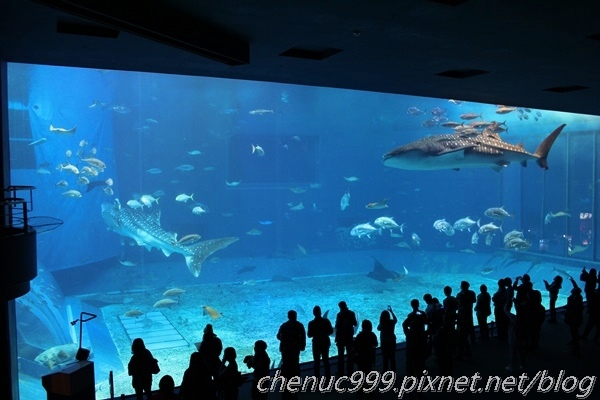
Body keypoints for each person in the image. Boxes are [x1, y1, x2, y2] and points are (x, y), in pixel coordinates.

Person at [277, 310, 306, 399]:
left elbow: (278, 336)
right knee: (295, 364)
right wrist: (302, 345)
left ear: (288, 316)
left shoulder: (284, 326)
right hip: (295, 349)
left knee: (286, 365)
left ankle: (285, 382)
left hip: (286, 349)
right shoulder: (299, 325)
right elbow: (303, 336)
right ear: (295, 316)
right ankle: (296, 381)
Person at [402, 299, 429, 377]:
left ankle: (411, 376)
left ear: (411, 305)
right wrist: (427, 332)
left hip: (412, 339)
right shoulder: (422, 314)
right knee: (421, 359)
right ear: (418, 304)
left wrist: (407, 333)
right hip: (421, 337)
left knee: (410, 359)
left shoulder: (411, 315)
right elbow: (428, 322)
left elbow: (404, 324)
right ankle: (420, 375)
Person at [307, 305, 334, 378]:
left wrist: (316, 333)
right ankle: (328, 378)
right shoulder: (326, 321)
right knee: (326, 361)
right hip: (325, 342)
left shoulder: (311, 323)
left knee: (316, 362)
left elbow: (309, 335)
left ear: (313, 313)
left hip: (316, 344)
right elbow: (331, 331)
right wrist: (324, 333)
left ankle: (317, 379)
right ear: (320, 312)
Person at [334, 301, 358, 376]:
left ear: (340, 307)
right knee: (349, 355)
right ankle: (350, 372)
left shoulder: (339, 315)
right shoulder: (351, 313)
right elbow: (355, 323)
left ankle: (341, 372)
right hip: (349, 337)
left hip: (341, 338)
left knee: (340, 356)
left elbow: (337, 326)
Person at [564, 277, 584, 355]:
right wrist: (572, 280)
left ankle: (576, 349)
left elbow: (573, 310)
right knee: (574, 332)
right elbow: (576, 287)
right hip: (575, 318)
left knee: (574, 332)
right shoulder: (577, 296)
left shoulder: (576, 300)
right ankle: (574, 342)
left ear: (574, 292)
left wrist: (567, 312)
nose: (571, 290)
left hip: (574, 319)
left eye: (573, 290)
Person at [377, 306, 397, 372]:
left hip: (384, 341)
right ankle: (393, 370)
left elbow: (378, 328)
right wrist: (391, 312)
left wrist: (381, 321)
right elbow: (396, 319)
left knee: (385, 357)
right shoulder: (392, 322)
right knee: (392, 357)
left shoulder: (382, 324)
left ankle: (385, 370)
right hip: (392, 340)